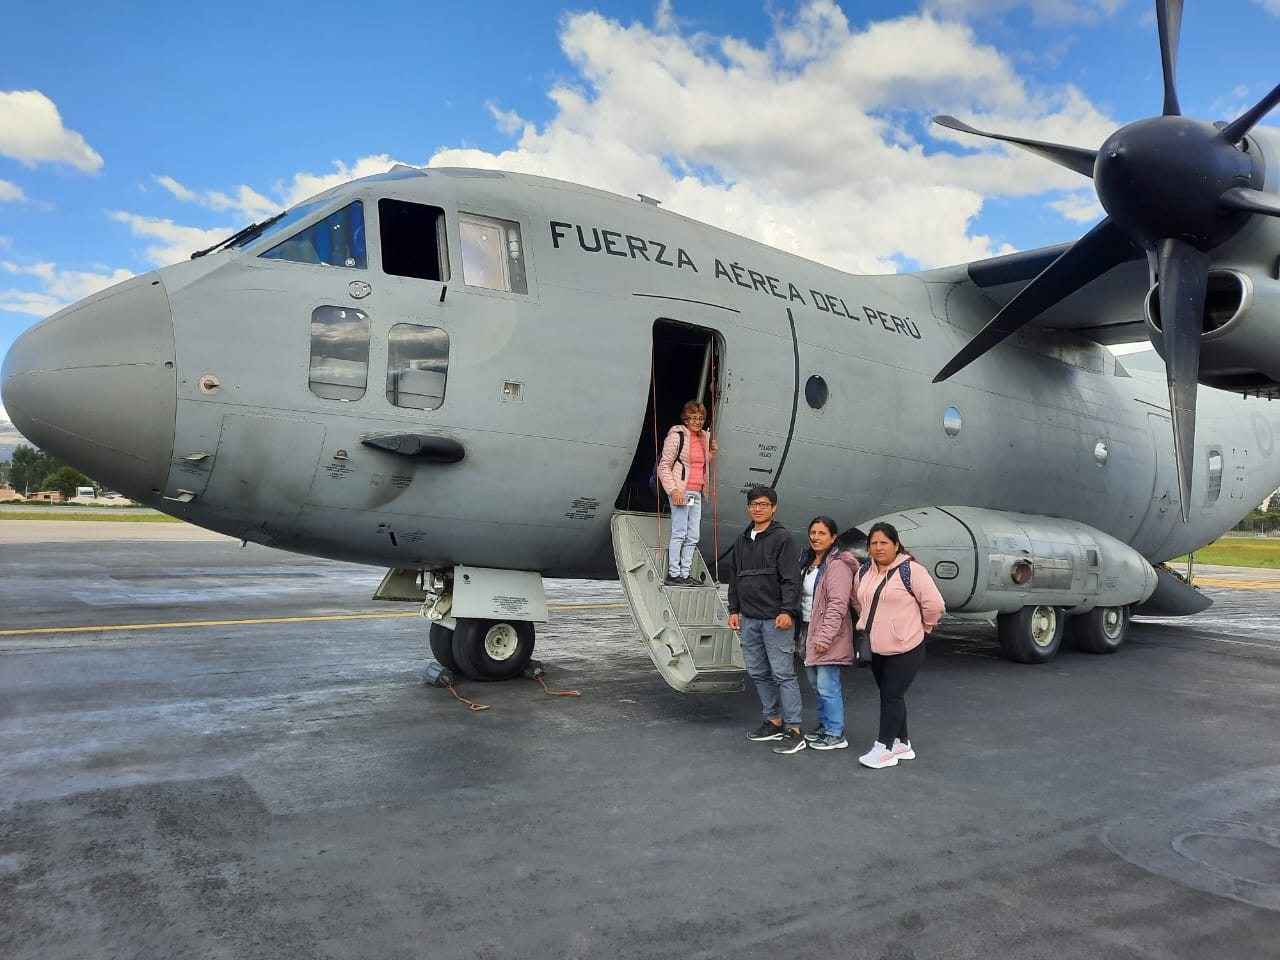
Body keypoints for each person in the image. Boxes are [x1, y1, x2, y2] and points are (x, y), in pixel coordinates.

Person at [851, 521, 946, 769]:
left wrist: (924, 628)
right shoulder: (864, 572)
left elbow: (935, 605)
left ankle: (883, 748)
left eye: (884, 543)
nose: (878, 548)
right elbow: (859, 600)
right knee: (892, 694)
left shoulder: (912, 571)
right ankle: (902, 743)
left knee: (891, 696)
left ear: (896, 545)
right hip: (876, 646)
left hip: (907, 647)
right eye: (874, 543)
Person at [726, 486, 805, 755]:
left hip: (775, 620)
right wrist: (733, 609)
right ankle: (773, 721)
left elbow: (791, 578)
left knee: (783, 674)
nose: (757, 509)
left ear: (774, 508)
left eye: (763, 504)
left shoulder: (782, 538)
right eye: (753, 504)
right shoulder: (742, 539)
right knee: (758, 672)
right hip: (749, 619)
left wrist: (787, 610)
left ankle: (794, 729)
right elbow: (735, 576)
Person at [797, 517, 857, 751]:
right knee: (815, 683)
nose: (815, 537)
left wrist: (824, 637)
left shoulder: (838, 566)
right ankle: (824, 725)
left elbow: (838, 605)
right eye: (813, 532)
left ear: (833, 537)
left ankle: (835, 732)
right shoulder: (810, 562)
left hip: (827, 634)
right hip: (808, 629)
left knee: (828, 685)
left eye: (822, 533)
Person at [656, 400, 718, 586]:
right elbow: (664, 466)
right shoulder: (676, 437)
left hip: (696, 492)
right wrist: (673, 490)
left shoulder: (704, 438)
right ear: (685, 419)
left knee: (693, 535)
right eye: (693, 418)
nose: (697, 422)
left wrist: (711, 454)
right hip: (682, 491)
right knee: (680, 532)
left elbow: (697, 462)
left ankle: (685, 574)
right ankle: (674, 574)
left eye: (700, 418)